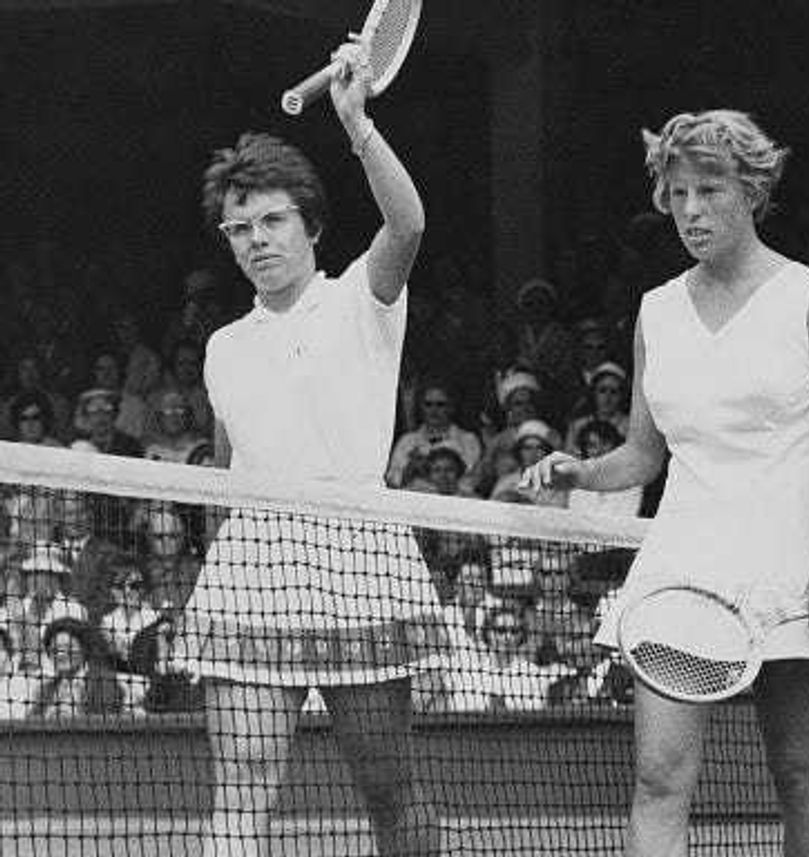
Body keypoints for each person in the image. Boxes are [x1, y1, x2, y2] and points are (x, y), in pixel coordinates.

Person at [521, 109, 809, 857]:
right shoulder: (656, 311)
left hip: (795, 561)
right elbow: (643, 454)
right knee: (657, 777)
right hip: (685, 567)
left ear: (754, 190)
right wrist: (582, 472)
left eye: (710, 190)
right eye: (677, 194)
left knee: (799, 773)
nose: (691, 210)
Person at [168, 32, 439, 857]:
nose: (256, 238)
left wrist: (355, 122)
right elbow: (228, 474)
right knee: (242, 783)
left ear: (310, 224)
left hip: (359, 563)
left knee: (387, 790)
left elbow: (410, 221)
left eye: (272, 219)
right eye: (239, 227)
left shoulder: (363, 297)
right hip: (255, 569)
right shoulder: (222, 347)